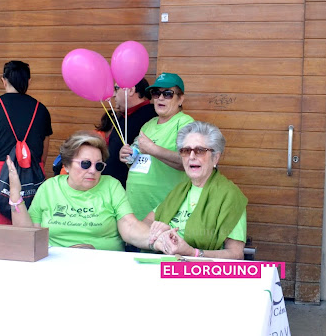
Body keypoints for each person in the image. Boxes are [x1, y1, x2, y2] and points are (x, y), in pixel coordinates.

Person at [5, 131, 158, 251]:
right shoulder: (49, 188)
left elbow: (130, 226)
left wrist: (157, 240)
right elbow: (29, 235)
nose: (93, 171)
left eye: (98, 165)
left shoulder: (111, 186)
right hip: (57, 265)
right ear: (66, 165)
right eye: (85, 164)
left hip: (104, 265)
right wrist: (15, 194)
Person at [145, 121, 248, 259]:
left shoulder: (229, 195)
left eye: (200, 151)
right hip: (163, 265)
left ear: (215, 158)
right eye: (186, 151)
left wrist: (193, 253)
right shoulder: (179, 190)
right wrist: (158, 232)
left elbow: (236, 254)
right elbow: (146, 222)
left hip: (203, 270)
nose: (192, 156)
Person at [0, 61, 52, 224]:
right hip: (32, 180)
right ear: (29, 81)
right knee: (29, 233)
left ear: (4, 80)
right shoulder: (42, 110)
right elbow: (42, 156)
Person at [119, 73, 194, 220]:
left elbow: (189, 162)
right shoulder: (148, 125)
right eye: (156, 93)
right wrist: (128, 155)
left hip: (163, 211)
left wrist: (153, 149)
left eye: (167, 94)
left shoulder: (186, 123)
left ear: (180, 99)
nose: (160, 98)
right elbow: (138, 159)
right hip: (136, 208)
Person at [104, 78, 156, 188]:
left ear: (131, 90)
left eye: (116, 88)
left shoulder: (151, 116)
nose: (113, 94)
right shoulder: (124, 115)